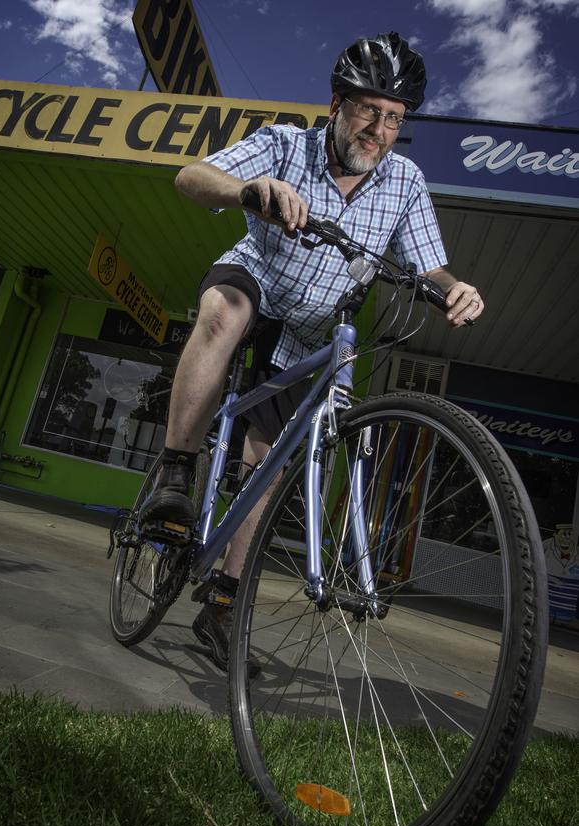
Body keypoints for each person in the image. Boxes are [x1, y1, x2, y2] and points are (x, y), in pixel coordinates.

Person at [141, 32, 485, 672]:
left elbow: (431, 267)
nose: (378, 129)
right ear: (336, 103)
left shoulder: (403, 182)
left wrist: (453, 289)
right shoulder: (285, 143)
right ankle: (174, 472)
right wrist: (249, 192)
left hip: (312, 329)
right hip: (259, 284)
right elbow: (192, 176)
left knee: (267, 459)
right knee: (223, 310)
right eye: (368, 110)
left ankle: (221, 602)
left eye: (393, 118)